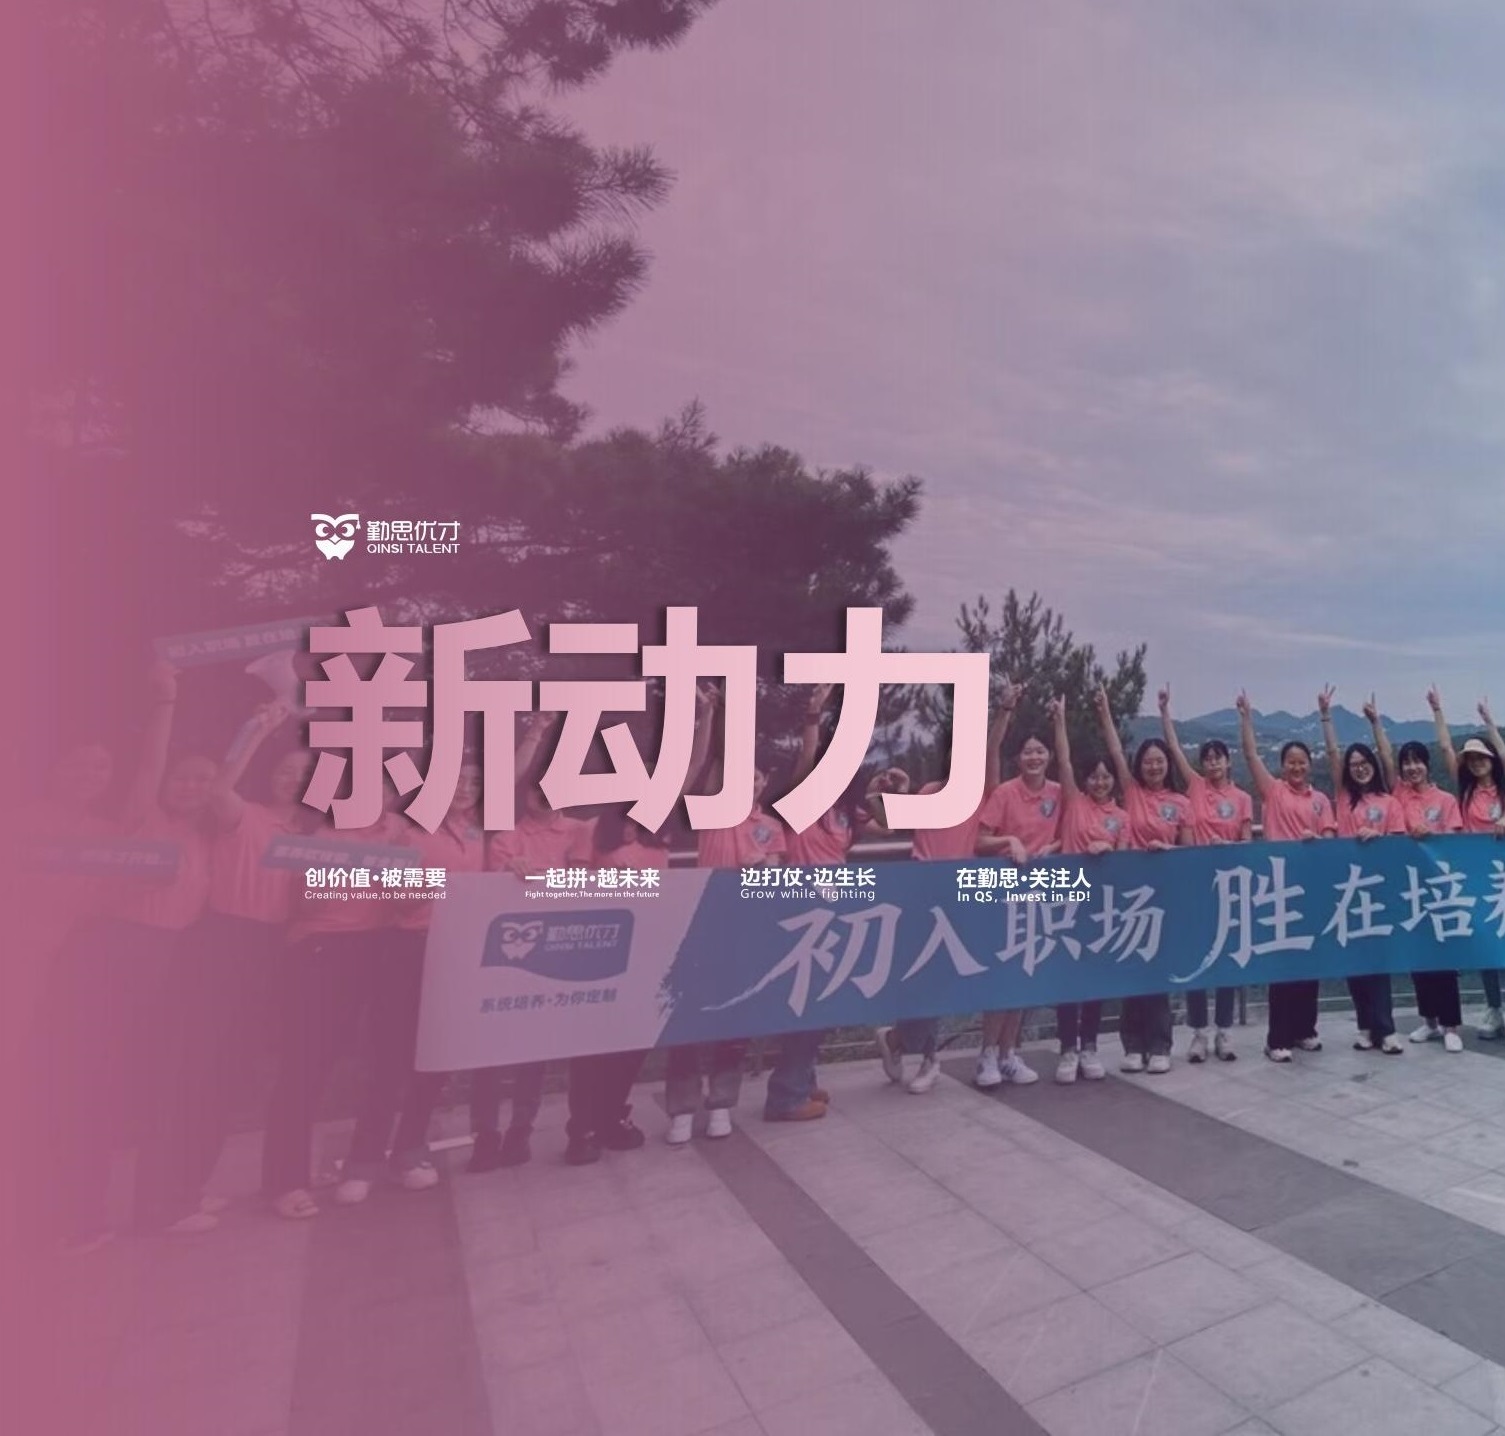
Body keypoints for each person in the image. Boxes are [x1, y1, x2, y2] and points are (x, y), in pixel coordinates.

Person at [875, 684, 1017, 1094]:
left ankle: (899, 1040)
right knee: (923, 977)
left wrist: (1004, 711)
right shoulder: (928, 792)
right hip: (922, 893)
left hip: (958, 898)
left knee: (941, 980)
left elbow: (992, 750)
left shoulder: (979, 794)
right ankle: (928, 1058)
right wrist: (894, 790)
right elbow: (888, 820)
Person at [668, 686, 785, 1144]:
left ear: (764, 783)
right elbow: (705, 761)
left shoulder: (771, 827)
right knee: (688, 1017)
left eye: (756, 778)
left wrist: (766, 868)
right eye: (742, 775)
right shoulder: (711, 811)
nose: (749, 783)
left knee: (734, 1018)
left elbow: (776, 875)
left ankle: (721, 1103)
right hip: (702, 927)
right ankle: (682, 1107)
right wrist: (711, 713)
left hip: (746, 932)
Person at [1237, 692, 1336, 1062]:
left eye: (1301, 762)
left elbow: (1330, 840)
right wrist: (1246, 717)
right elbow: (1250, 756)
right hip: (1278, 889)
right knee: (1282, 964)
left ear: (1309, 765)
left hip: (1310, 889)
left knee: (1309, 962)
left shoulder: (1321, 800)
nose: (1296, 767)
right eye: (1290, 762)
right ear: (1282, 767)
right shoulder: (1273, 791)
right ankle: (1277, 1038)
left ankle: (1305, 1030)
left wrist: (1317, 842)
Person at [1094, 685, 1189, 1074]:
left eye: (1159, 761)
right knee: (1132, 970)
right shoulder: (1131, 793)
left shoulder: (1181, 804)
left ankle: (1160, 1045)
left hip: (1164, 897)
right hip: (1129, 895)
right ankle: (1132, 1045)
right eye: (1147, 761)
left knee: (1157, 972)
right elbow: (1116, 752)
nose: (1153, 767)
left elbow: (1189, 853)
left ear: (1167, 765)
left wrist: (1167, 851)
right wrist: (1104, 711)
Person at [1363, 698, 1466, 1050]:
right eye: (1406, 763)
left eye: (1416, 761)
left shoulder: (1446, 800)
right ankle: (1430, 1022)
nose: (1411, 768)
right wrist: (1376, 722)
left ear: (1426, 764)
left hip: (1440, 887)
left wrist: (1431, 834)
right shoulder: (1398, 797)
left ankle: (1451, 1027)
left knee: (1444, 959)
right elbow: (1384, 756)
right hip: (1409, 889)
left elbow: (1454, 842)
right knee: (1418, 958)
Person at [1159, 685, 1251, 1061]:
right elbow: (1174, 750)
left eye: (1218, 758)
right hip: (1195, 888)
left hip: (1229, 888)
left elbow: (1247, 843)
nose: (1212, 764)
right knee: (1196, 959)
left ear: (1228, 762)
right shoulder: (1195, 787)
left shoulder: (1242, 799)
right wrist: (1165, 712)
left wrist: (1228, 847)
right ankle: (1198, 1032)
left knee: (1226, 959)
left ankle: (1224, 1032)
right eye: (1207, 759)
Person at [972, 691, 1053, 1090]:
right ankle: (987, 1053)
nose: (1034, 757)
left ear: (1049, 756)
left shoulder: (1058, 793)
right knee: (1001, 976)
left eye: (1040, 751)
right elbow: (979, 841)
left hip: (1040, 896)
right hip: (1002, 895)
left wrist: (1054, 846)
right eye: (1027, 752)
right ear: (1018, 759)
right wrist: (1010, 842)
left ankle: (1008, 1054)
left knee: (1024, 975)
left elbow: (1069, 834)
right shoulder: (1005, 793)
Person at [1318, 688, 1405, 1054]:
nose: (1359, 767)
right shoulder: (1343, 799)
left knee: (1379, 962)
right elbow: (1333, 753)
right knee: (1355, 961)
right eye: (1353, 765)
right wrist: (1326, 717)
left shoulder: (1390, 802)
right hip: (1348, 891)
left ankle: (1386, 1029)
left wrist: (1376, 723)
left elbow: (1398, 844)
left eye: (1364, 762)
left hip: (1380, 891)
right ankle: (1366, 1027)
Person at [1049, 695, 1131, 1082]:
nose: (1100, 782)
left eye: (1106, 776)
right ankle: (1067, 1048)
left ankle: (1089, 1046)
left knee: (1095, 978)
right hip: (1068, 904)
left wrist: (1109, 850)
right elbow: (1063, 761)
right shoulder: (1074, 803)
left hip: (1102, 907)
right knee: (1068, 978)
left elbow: (1126, 861)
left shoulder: (1121, 817)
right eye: (1094, 776)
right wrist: (1060, 720)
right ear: (1085, 780)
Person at [1426, 689, 1505, 1038]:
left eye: (1481, 757)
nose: (1476, 763)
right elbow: (1445, 749)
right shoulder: (1467, 791)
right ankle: (1494, 1008)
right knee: (1486, 946)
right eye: (1471, 759)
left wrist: (1489, 722)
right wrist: (1437, 709)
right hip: (1477, 878)